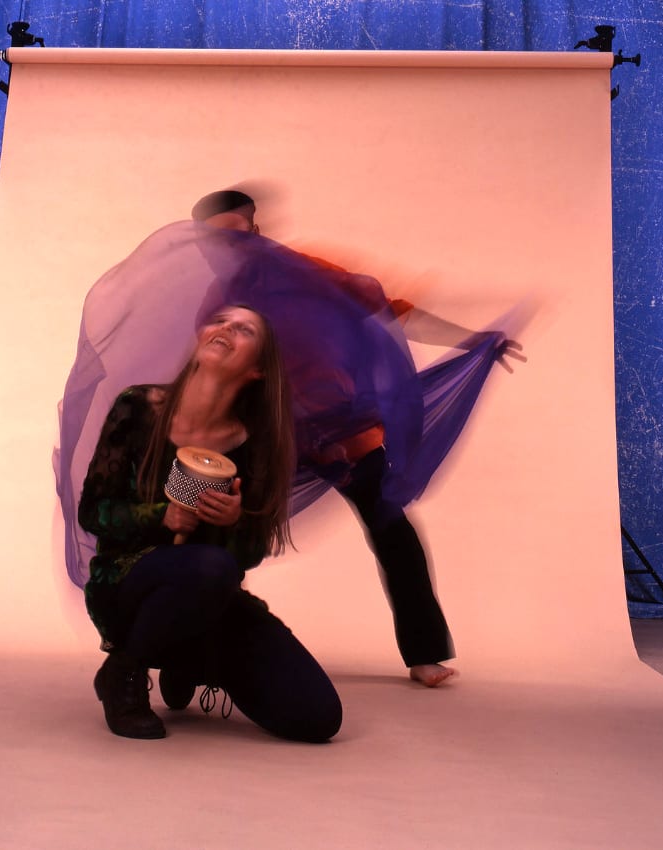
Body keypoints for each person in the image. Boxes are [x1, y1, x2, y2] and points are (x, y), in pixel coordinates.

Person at [190, 189, 524, 688]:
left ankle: (425, 654)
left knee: (394, 532)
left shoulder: (307, 273)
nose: (230, 250)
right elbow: (212, 374)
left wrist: (471, 340)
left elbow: (389, 310)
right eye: (216, 243)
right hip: (270, 435)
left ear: (257, 232)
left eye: (238, 236)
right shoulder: (217, 303)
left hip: (343, 430)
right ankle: (194, 646)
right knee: (214, 527)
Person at [77, 304, 342, 741]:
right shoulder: (137, 407)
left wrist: (235, 522)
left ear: (257, 370)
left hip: (211, 594)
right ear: (201, 338)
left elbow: (249, 554)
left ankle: (188, 655)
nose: (227, 328)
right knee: (209, 567)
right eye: (220, 321)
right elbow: (93, 512)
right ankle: (124, 670)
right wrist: (161, 516)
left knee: (317, 717)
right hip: (128, 585)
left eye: (245, 330)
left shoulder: (257, 443)